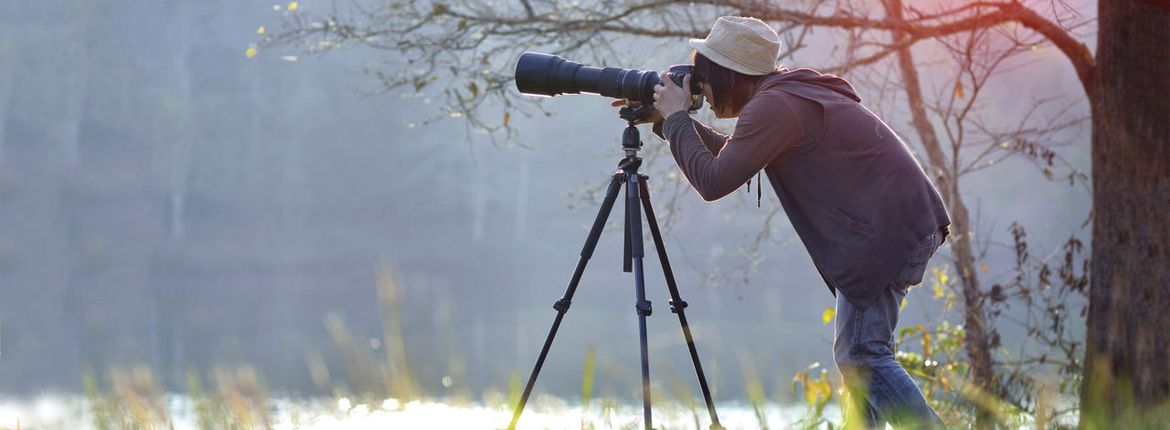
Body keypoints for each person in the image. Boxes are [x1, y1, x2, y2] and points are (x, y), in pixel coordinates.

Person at [616, 16, 952, 429]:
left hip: (885, 234)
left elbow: (714, 180)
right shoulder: (782, 95)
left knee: (863, 356)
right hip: (894, 226)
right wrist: (669, 123)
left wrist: (678, 119)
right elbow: (734, 157)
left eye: (704, 78)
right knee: (860, 359)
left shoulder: (776, 105)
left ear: (729, 74)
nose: (701, 88)